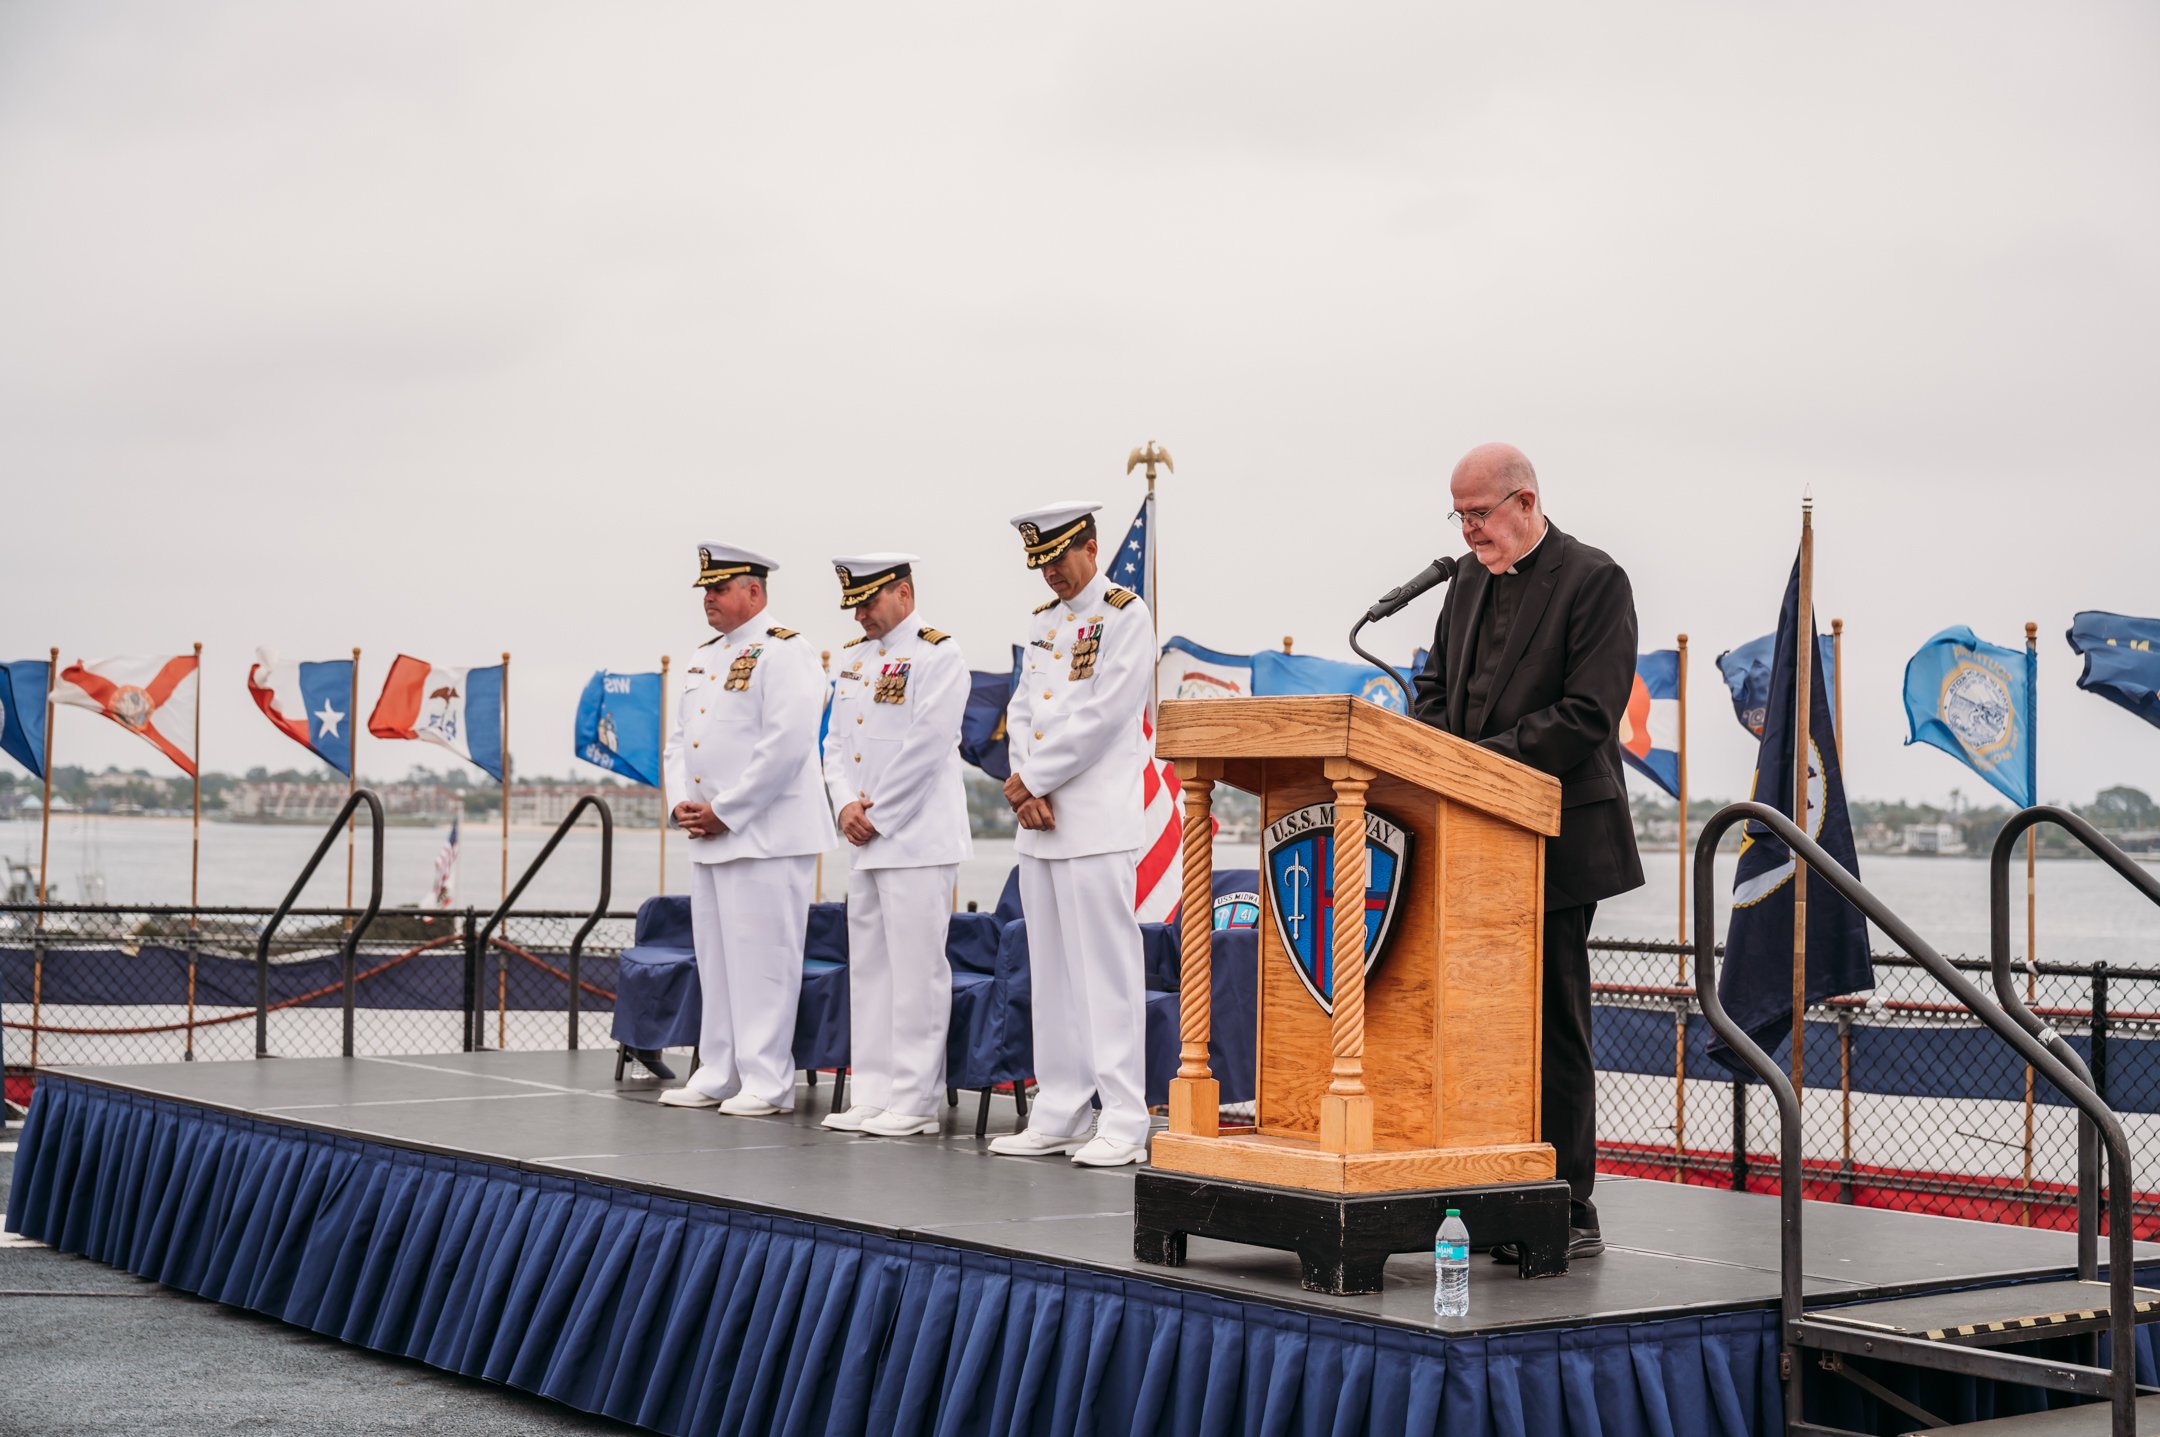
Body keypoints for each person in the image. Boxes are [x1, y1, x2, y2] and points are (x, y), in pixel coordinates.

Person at [1408, 444, 1643, 1260]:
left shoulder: (1594, 579)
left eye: (1478, 514)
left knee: (1552, 1019)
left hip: (1558, 836)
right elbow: (1433, 687)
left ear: (1526, 500)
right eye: (1459, 516)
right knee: (1477, 1022)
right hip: (1470, 839)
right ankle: (1490, 1179)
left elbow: (1587, 713)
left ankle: (1568, 1200)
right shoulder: (1466, 579)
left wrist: (1479, 764)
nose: (1468, 531)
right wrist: (1439, 757)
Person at [988, 502, 1155, 1168]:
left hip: (1093, 819)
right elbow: (1022, 708)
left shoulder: (1126, 615)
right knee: (1052, 972)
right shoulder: (1044, 625)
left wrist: (1033, 779)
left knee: (1107, 974)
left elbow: (1105, 715)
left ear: (1090, 545)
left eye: (1060, 557)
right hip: (1041, 823)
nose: (1052, 572)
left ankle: (1123, 1117)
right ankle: (1058, 1107)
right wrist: (1022, 781)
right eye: (1042, 563)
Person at [656, 542, 834, 1117]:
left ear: (754, 592)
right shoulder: (704, 657)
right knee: (718, 958)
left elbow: (786, 743)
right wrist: (683, 802)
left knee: (764, 960)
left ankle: (768, 1079)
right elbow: (679, 742)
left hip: (767, 834)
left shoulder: (788, 652)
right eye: (706, 590)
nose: (708, 599)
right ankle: (718, 1067)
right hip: (708, 834)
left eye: (719, 589)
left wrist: (726, 810)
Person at [818, 552, 973, 1138]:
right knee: (872, 970)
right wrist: (843, 805)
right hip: (865, 837)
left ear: (904, 593)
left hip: (915, 838)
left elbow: (930, 745)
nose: (861, 613)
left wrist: (877, 815)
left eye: (870, 600)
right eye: (854, 603)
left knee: (916, 972)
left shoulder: (939, 655)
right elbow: (834, 744)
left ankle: (913, 1100)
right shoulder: (854, 660)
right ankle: (873, 1091)